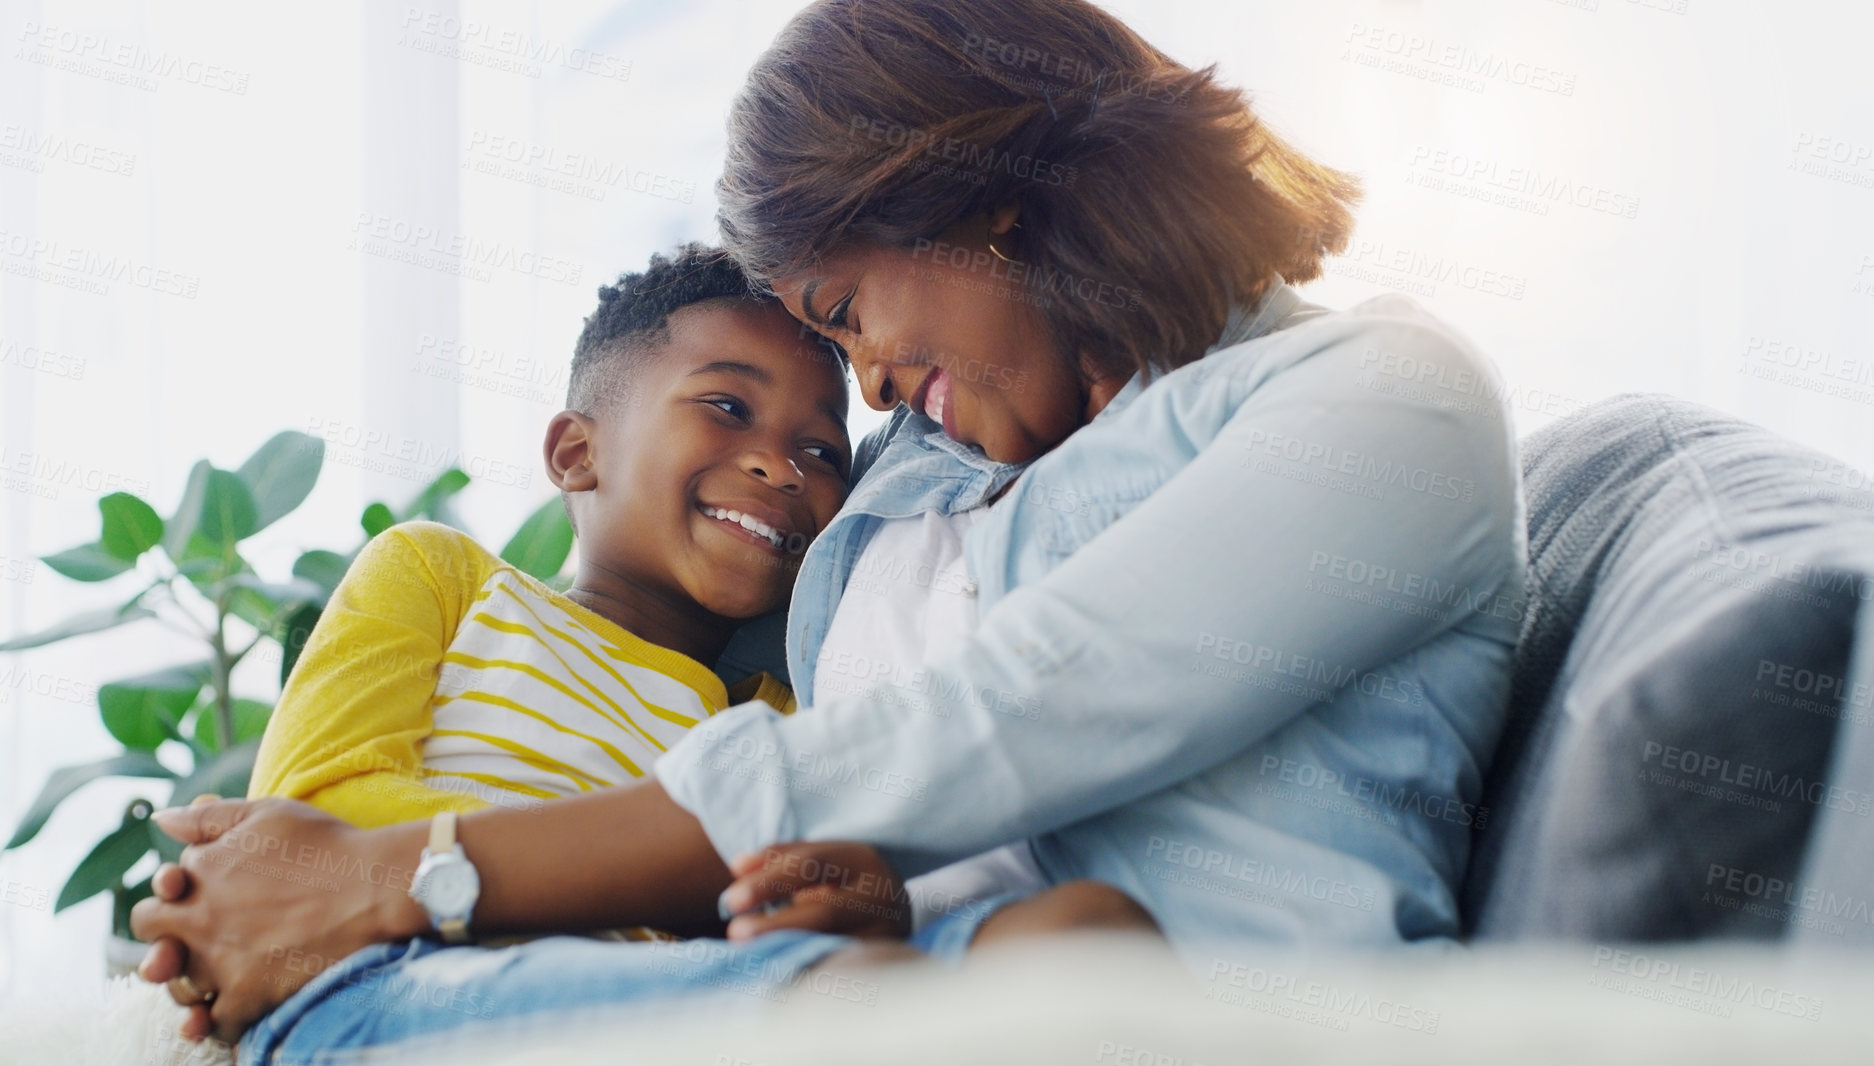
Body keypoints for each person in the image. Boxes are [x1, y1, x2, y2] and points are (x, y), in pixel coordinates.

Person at [133, 0, 1526, 1058]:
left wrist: (402, 872)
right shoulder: (922, 470)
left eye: (844, 314)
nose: (855, 399)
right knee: (1038, 947)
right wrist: (866, 902)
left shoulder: (1385, 400)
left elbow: (998, 719)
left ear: (969, 198)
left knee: (1068, 953)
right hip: (957, 979)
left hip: (1205, 1007)